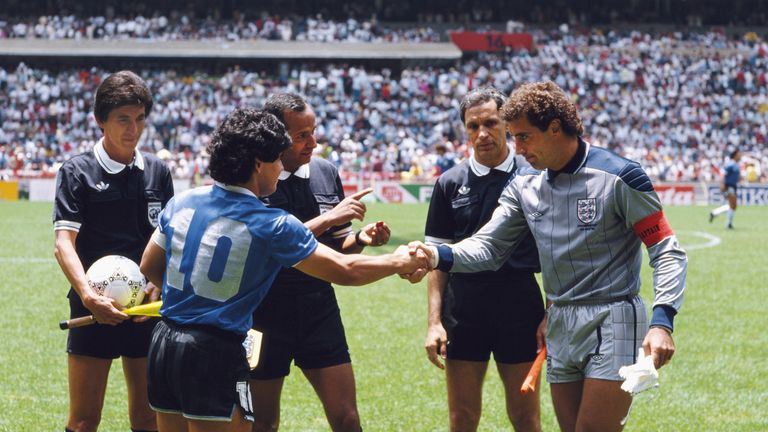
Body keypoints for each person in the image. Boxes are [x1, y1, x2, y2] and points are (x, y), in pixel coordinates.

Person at [414, 81, 687, 432]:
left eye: (524, 137)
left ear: (555, 128)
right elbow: (490, 245)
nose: (518, 148)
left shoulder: (621, 176)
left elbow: (665, 249)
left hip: (614, 315)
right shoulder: (525, 186)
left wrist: (662, 320)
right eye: (514, 137)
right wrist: (434, 255)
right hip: (560, 321)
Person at [139, 107, 429, 432]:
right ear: (258, 164)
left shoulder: (183, 201)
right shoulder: (270, 223)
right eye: (277, 158)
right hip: (214, 351)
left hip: (164, 343)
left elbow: (149, 265)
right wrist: (400, 260)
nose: (280, 166)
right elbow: (346, 270)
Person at [249, 93, 391, 432]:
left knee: (347, 418)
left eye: (313, 131)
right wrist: (328, 220)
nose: (313, 142)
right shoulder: (256, 179)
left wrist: (361, 239)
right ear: (276, 136)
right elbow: (270, 247)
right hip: (264, 313)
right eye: (302, 136)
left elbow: (338, 248)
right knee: (263, 423)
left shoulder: (326, 172)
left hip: (318, 309)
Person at [53, 70, 174, 432]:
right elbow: (63, 244)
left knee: (148, 418)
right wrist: (90, 297)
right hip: (92, 308)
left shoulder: (158, 172)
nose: (133, 129)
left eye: (139, 119)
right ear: (100, 120)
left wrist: (157, 285)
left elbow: (170, 239)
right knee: (84, 420)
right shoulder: (77, 172)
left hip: (146, 311)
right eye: (123, 119)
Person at [423, 87, 543, 432]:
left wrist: (551, 310)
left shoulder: (533, 177)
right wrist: (434, 322)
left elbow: (555, 252)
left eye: (490, 123)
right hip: (464, 308)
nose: (482, 134)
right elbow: (437, 259)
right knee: (462, 418)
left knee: (525, 417)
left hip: (520, 305)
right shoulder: (449, 183)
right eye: (473, 126)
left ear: (507, 124)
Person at [709, 149, 741, 229]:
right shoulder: (730, 164)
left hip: (733, 186)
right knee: (733, 205)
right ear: (735, 155)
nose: (740, 155)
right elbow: (722, 173)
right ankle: (728, 224)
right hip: (729, 186)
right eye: (739, 154)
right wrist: (722, 184)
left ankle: (715, 213)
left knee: (733, 205)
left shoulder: (735, 164)